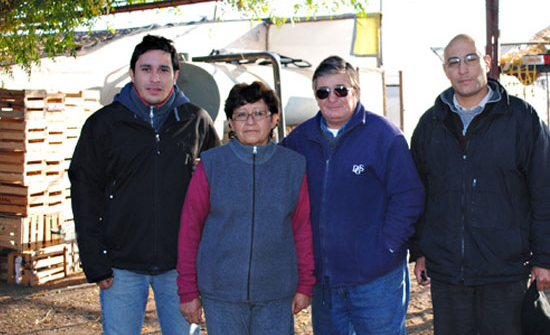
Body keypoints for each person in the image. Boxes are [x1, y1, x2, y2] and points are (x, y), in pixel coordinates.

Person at [69, 34, 220, 335]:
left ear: (176, 75)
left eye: (163, 69)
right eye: (146, 69)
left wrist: (207, 260)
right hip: (121, 265)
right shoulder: (104, 124)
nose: (155, 78)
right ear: (132, 73)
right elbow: (84, 192)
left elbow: (217, 193)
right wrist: (94, 259)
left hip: (181, 267)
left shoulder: (196, 121)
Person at [410, 33, 550, 335]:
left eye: (471, 58)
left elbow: (544, 191)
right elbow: (418, 193)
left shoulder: (522, 119)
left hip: (505, 271)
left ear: (486, 62)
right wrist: (420, 249)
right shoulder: (430, 124)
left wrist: (544, 258)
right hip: (447, 274)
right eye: (454, 62)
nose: (463, 68)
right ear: (446, 70)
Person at [281, 56, 424, 335]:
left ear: (355, 91)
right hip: (326, 281)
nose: (332, 98)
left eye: (340, 90)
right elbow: (272, 175)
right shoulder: (301, 139)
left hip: (376, 279)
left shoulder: (384, 136)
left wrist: (386, 246)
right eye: (323, 92)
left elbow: (409, 195)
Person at [177, 81, 315, 335]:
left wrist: (306, 284)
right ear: (231, 122)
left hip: (276, 293)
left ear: (274, 119)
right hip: (221, 295)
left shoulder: (293, 166)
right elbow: (190, 229)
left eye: (259, 113)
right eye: (241, 114)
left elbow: (302, 228)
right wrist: (188, 290)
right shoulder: (212, 164)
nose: (250, 121)